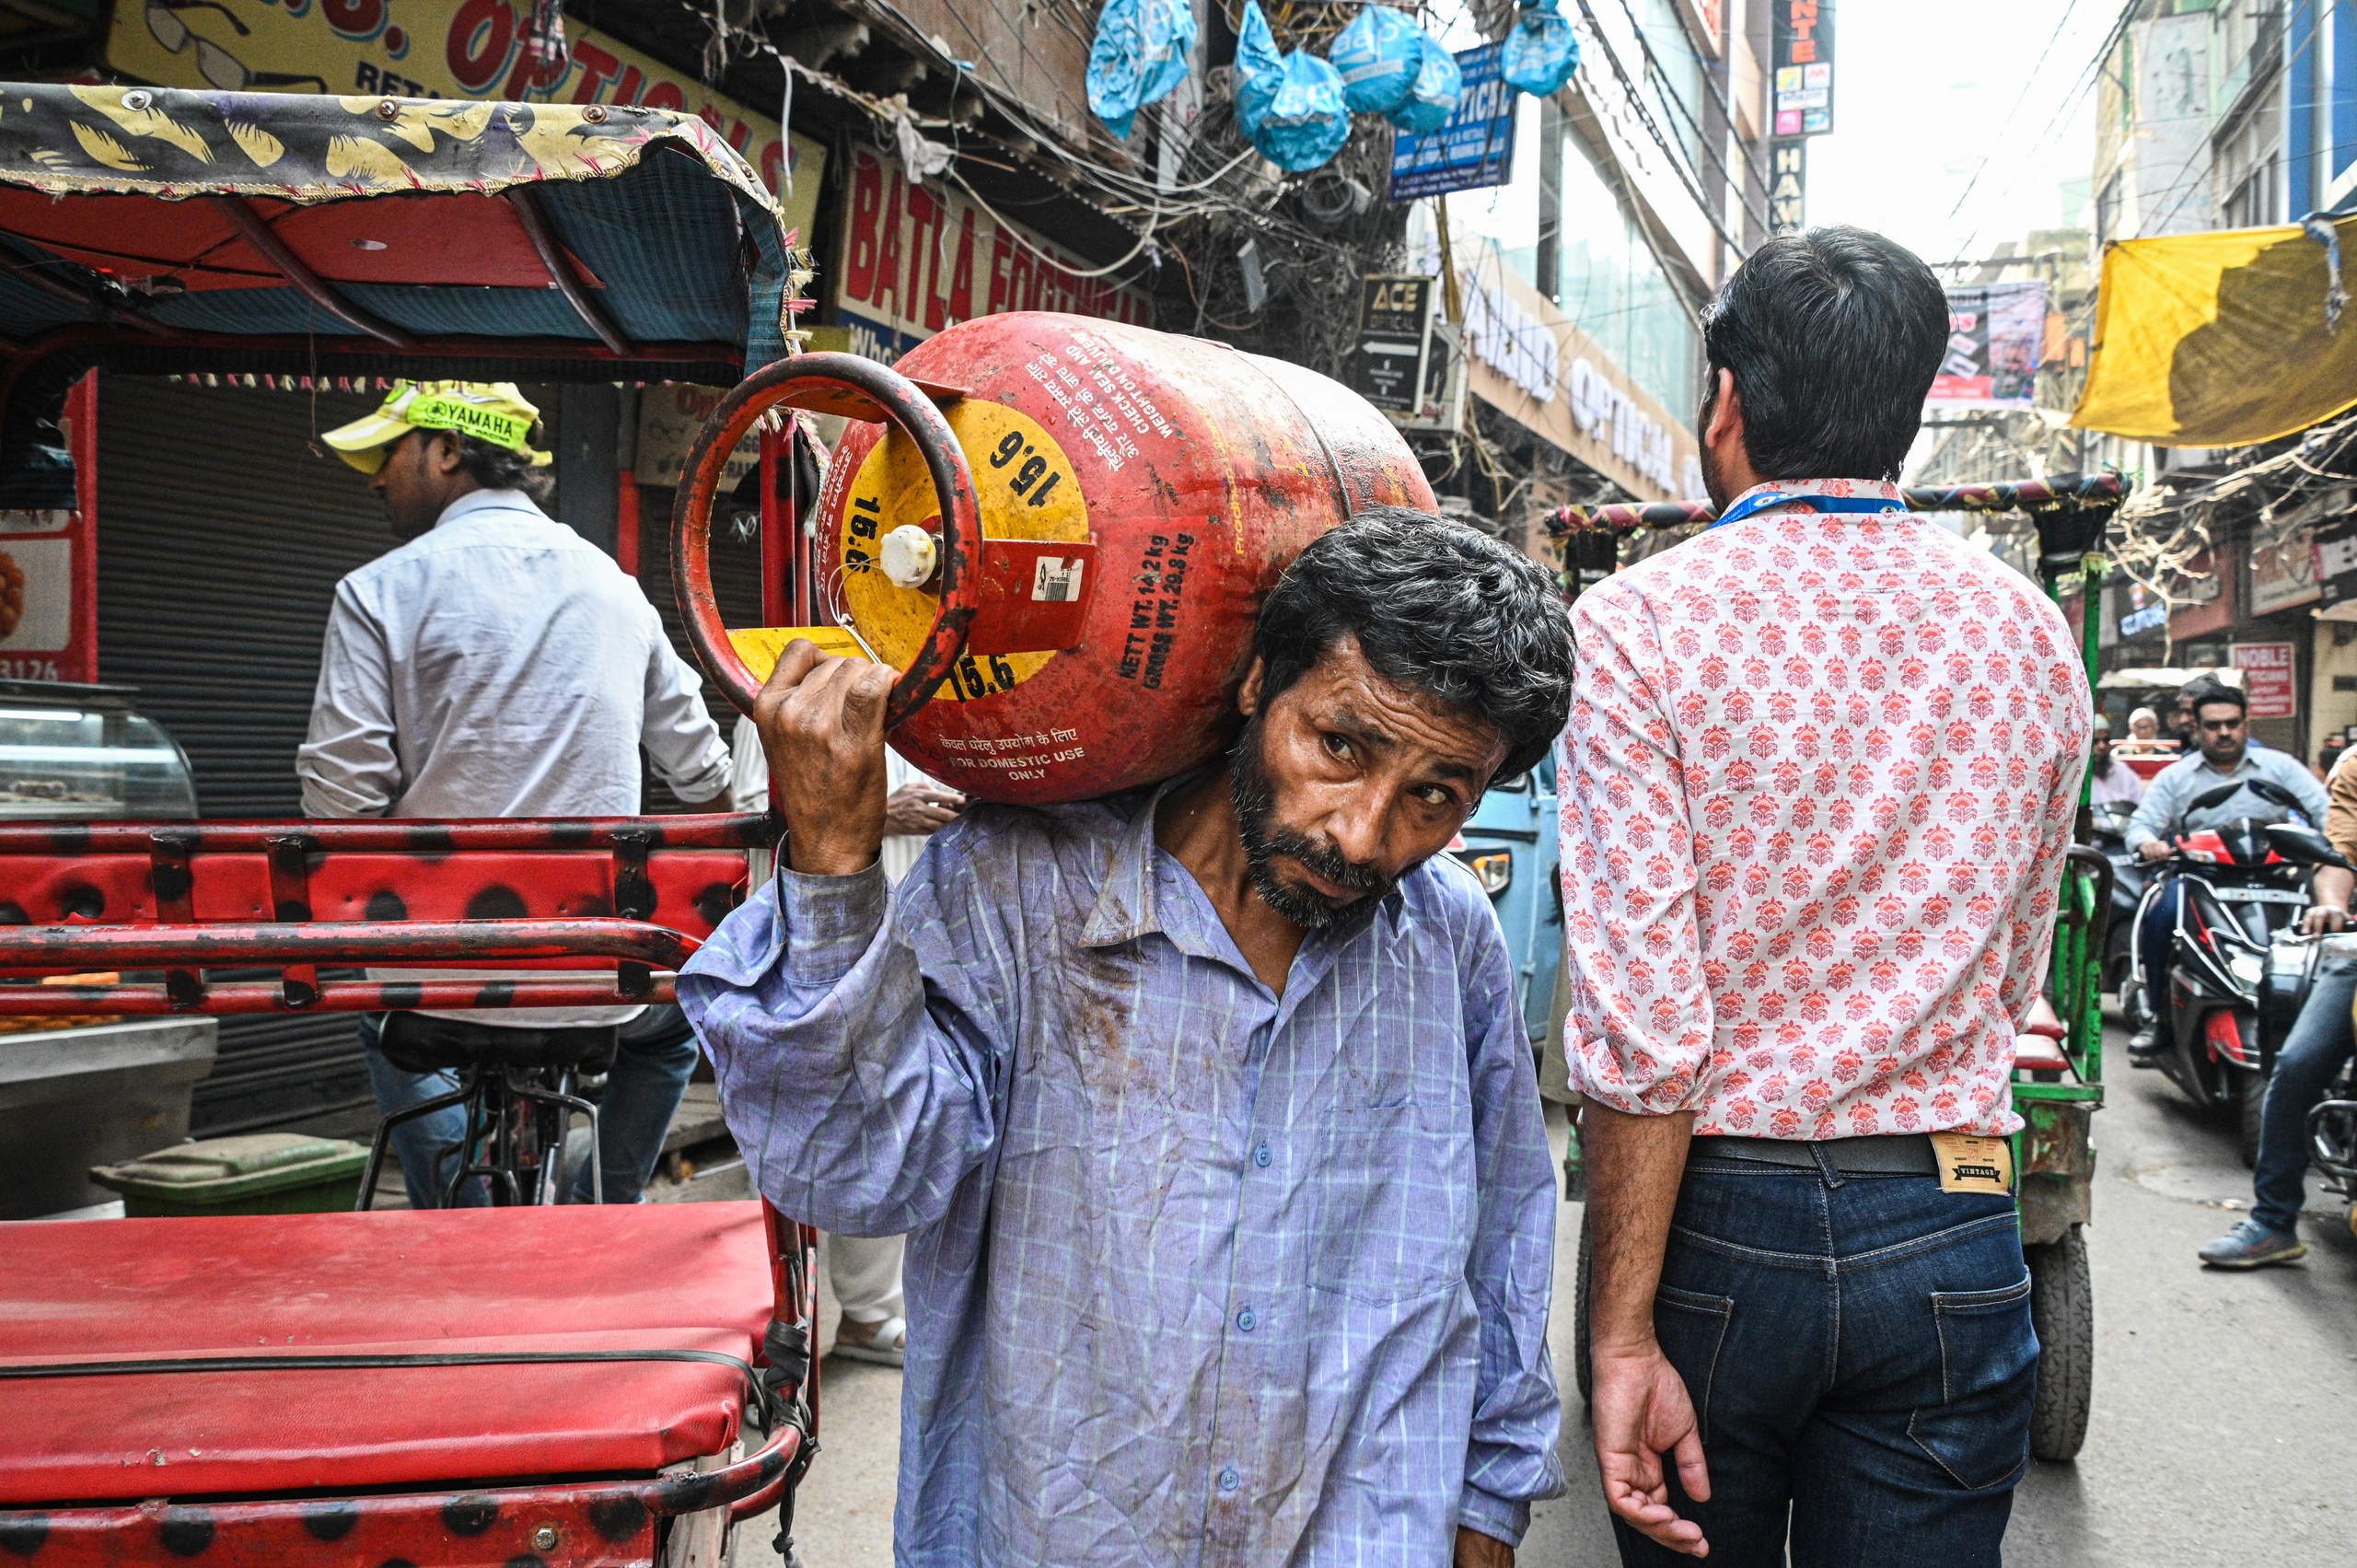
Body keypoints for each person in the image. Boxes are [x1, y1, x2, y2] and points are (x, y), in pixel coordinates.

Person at [682, 508, 1573, 1565]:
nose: (1363, 832)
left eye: (1434, 795)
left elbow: (1506, 1237)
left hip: (1361, 1524)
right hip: (1070, 1523)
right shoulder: (1018, 884)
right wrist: (834, 869)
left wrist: (1489, 1506)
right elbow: (858, 1177)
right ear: (1256, 687)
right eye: (1338, 745)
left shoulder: (1447, 938)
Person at [1562, 226, 2091, 1567]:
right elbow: (2017, 961)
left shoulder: (1639, 624)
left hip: (1717, 1231)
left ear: (1728, 399)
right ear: (1910, 412)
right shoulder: (2032, 634)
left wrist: (1620, 1331)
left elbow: (1643, 1028)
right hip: (1954, 1225)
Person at [300, 380, 733, 1208]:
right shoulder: (617, 590)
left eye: (388, 455)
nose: (374, 478)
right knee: (676, 1026)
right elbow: (705, 775)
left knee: (378, 1014)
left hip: (437, 974)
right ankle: (590, 1209)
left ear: (448, 451)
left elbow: (340, 807)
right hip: (595, 979)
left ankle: (461, 1217)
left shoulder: (378, 592)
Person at [727, 714, 965, 1365]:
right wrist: (881, 812)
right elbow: (751, 809)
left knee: (891, 1105)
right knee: (792, 1109)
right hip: (813, 925)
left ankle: (868, 1312)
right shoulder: (784, 665)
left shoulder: (925, 666)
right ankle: (770, 1320)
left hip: (913, 919)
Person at [2200, 746, 2357, 1267]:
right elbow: (2340, 855)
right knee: (2297, 1064)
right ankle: (2273, 1219)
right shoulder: (2355, 768)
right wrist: (2332, 904)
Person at [2122, 677, 2328, 1063]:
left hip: (2278, 879)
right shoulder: (2176, 777)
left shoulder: (2281, 767)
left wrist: (2327, 844)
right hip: (2202, 880)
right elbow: (2141, 825)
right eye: (2213, 725)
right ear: (2196, 729)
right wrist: (2147, 842)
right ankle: (2159, 1017)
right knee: (2160, 915)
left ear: (2246, 725)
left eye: (2232, 724)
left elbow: (2328, 815)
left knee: (2328, 924)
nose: (2223, 733)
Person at [2088, 716, 2146, 808]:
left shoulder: (2122, 772)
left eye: (2106, 740)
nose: (2102, 746)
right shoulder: (2076, 776)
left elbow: (2141, 805)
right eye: (2095, 741)